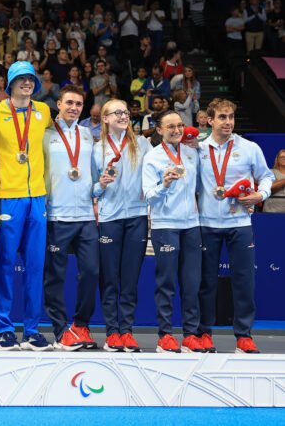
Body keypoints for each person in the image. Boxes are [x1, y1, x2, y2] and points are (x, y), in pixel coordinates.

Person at [196, 99, 274, 354]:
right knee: (206, 281)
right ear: (210, 120)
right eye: (222, 117)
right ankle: (203, 333)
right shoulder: (198, 149)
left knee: (244, 280)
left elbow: (266, 176)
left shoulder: (249, 148)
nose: (228, 122)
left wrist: (260, 195)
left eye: (231, 117)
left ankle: (244, 335)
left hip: (239, 223)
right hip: (206, 223)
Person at [0, 62, 52, 351]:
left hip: (37, 197)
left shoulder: (43, 112)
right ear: (10, 83)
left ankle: (32, 330)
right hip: (6, 197)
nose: (27, 83)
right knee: (4, 265)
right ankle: (4, 330)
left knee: (35, 267)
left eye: (30, 79)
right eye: (21, 79)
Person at [92, 100, 152, 352]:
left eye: (125, 112)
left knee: (130, 278)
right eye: (117, 112)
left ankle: (126, 331)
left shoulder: (143, 144)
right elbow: (91, 189)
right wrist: (101, 185)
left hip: (137, 217)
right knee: (109, 279)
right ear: (105, 118)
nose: (123, 115)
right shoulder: (97, 149)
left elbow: (156, 172)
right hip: (109, 219)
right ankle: (112, 332)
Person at [142, 111, 204, 353]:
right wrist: (165, 185)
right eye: (170, 126)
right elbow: (149, 195)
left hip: (192, 225)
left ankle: (191, 334)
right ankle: (165, 335)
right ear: (159, 130)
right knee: (166, 283)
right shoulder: (152, 157)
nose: (177, 130)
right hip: (165, 225)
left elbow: (199, 186)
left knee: (192, 283)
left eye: (179, 125)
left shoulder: (191, 153)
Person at [43, 86, 99, 351]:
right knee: (55, 276)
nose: (74, 108)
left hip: (86, 215)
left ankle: (80, 325)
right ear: (59, 104)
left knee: (91, 272)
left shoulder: (87, 134)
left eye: (78, 104)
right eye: (69, 102)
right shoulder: (45, 134)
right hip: (56, 214)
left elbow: (93, 172)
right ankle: (60, 331)